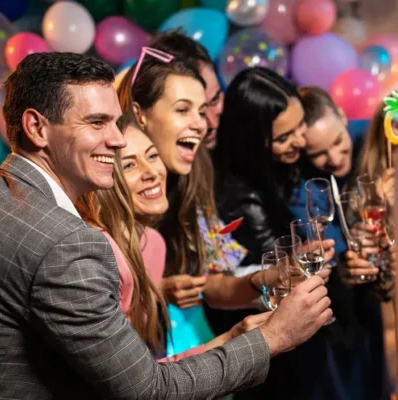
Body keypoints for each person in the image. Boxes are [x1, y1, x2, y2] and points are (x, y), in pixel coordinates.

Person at [0, 52, 333, 399]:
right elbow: (146, 392)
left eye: (116, 123)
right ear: (37, 127)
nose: (117, 141)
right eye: (97, 123)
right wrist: (272, 339)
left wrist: (236, 337)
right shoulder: (67, 244)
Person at [116, 48, 288, 360]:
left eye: (203, 109)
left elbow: (212, 277)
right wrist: (158, 289)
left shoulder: (196, 173)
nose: (202, 123)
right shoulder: (107, 197)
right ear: (140, 114)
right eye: (183, 110)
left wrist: (267, 278)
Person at [75, 112, 273, 361]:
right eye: (129, 165)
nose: (151, 172)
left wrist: (268, 278)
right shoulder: (96, 256)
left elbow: (213, 279)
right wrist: (233, 341)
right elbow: (132, 381)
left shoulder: (153, 242)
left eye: (152, 155)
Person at [210, 67, 338, 400]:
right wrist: (308, 266)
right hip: (272, 352)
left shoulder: (283, 164)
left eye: (300, 127)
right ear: (253, 140)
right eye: (284, 137)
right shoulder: (238, 198)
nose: (300, 140)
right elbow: (281, 275)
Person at [292, 86, 393, 399]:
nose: (334, 158)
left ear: (343, 116)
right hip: (338, 317)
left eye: (337, 141)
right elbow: (325, 247)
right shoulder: (306, 185)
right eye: (319, 153)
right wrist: (345, 265)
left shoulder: (375, 138)